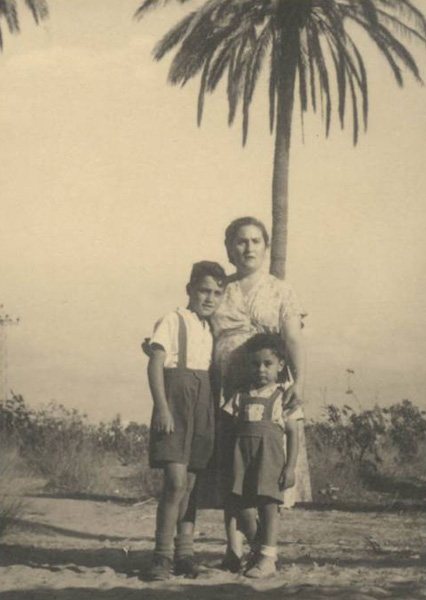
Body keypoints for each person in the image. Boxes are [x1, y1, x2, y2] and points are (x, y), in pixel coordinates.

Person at [198, 216, 312, 572]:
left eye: (255, 241)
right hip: (225, 390)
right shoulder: (221, 289)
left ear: (265, 247)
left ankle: (265, 549)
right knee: (231, 467)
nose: (248, 247)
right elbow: (196, 324)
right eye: (241, 241)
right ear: (229, 248)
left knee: (265, 470)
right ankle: (233, 550)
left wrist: (299, 381)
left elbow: (292, 339)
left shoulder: (281, 290)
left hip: (268, 387)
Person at [146, 260, 227, 581]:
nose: (210, 298)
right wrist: (162, 408)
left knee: (192, 487)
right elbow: (155, 364)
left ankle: (185, 554)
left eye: (217, 293)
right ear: (190, 289)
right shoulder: (173, 319)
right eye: (204, 291)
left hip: (202, 405)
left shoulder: (210, 328)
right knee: (175, 483)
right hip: (175, 406)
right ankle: (161, 556)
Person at [222, 333, 303, 578]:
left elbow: (293, 434)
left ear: (280, 365)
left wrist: (290, 468)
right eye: (255, 364)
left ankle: (267, 558)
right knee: (244, 511)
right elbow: (226, 425)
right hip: (243, 462)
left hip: (270, 461)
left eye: (268, 364)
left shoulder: (283, 397)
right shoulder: (240, 395)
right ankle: (260, 550)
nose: (261, 370)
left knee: (269, 507)